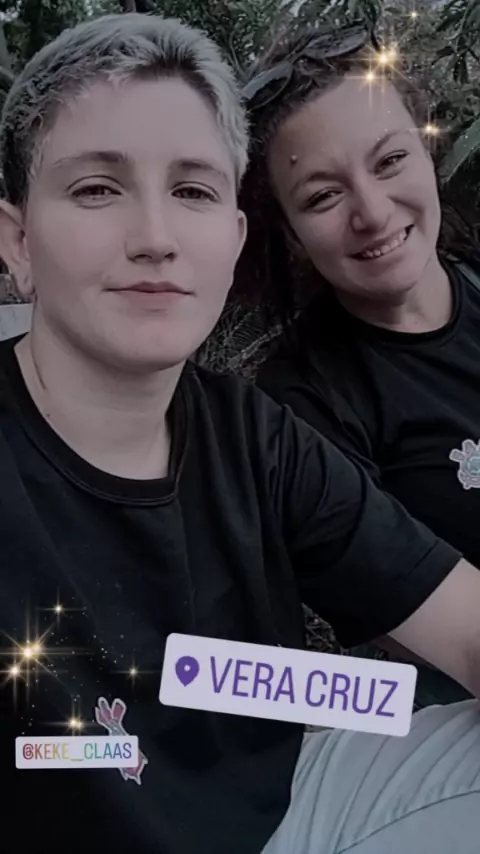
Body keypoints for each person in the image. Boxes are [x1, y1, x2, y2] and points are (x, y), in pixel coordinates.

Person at [1, 13, 480, 854]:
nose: (154, 239)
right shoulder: (316, 389)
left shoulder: (257, 439)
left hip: (288, 806)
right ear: (17, 242)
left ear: (233, 237)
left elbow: (461, 624)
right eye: (98, 189)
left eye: (192, 191)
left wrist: (235, 694)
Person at [234, 20, 480, 707]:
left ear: (428, 149)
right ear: (287, 231)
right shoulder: (302, 405)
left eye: (390, 160)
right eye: (322, 196)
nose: (371, 212)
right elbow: (417, 637)